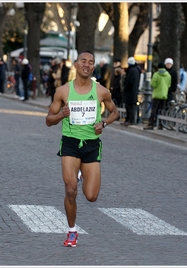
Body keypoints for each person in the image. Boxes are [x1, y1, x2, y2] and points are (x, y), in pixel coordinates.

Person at [45, 51, 119, 247]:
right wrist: (62, 114)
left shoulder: (102, 91)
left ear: (93, 67)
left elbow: (115, 112)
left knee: (91, 196)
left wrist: (103, 124)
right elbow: (48, 120)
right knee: (70, 190)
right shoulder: (63, 91)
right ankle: (72, 231)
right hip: (70, 143)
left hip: (91, 145)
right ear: (76, 65)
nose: (87, 65)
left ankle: (81, 172)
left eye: (91, 62)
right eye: (83, 61)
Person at [143, 62, 171, 130]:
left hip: (156, 95)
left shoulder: (156, 74)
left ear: (158, 68)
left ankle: (151, 124)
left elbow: (153, 84)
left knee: (154, 110)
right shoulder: (168, 75)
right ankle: (161, 124)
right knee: (162, 110)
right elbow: (169, 85)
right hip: (164, 95)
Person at [121, 57, 140, 126]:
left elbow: (129, 82)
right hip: (134, 91)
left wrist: (125, 88)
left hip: (130, 92)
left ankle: (130, 120)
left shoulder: (131, 71)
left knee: (129, 107)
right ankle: (130, 119)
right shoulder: (137, 70)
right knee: (131, 106)